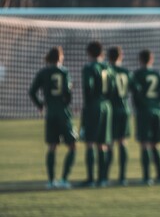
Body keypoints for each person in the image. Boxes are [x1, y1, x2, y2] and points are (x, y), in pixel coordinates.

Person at [29, 46, 77, 189]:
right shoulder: (64, 72)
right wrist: (66, 102)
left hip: (50, 113)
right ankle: (64, 179)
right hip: (63, 113)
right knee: (73, 146)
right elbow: (68, 94)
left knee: (52, 146)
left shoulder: (43, 72)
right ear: (60, 57)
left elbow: (32, 92)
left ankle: (51, 181)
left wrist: (40, 105)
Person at [80, 41, 115, 187]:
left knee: (90, 143)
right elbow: (113, 88)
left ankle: (91, 179)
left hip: (94, 106)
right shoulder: (108, 68)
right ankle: (102, 179)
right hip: (107, 106)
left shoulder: (89, 68)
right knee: (102, 144)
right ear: (102, 53)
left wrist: (87, 106)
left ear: (89, 53)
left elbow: (88, 86)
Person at [132, 49, 160, 185]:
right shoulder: (157, 74)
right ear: (152, 59)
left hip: (144, 112)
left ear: (140, 59)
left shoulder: (137, 74)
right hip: (157, 111)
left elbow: (136, 93)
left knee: (145, 144)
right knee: (155, 145)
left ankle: (146, 177)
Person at [106, 46, 132, 186]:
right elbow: (135, 88)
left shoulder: (107, 71)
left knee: (109, 143)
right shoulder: (126, 71)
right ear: (120, 56)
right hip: (124, 109)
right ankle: (122, 177)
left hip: (111, 110)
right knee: (122, 142)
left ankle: (105, 176)